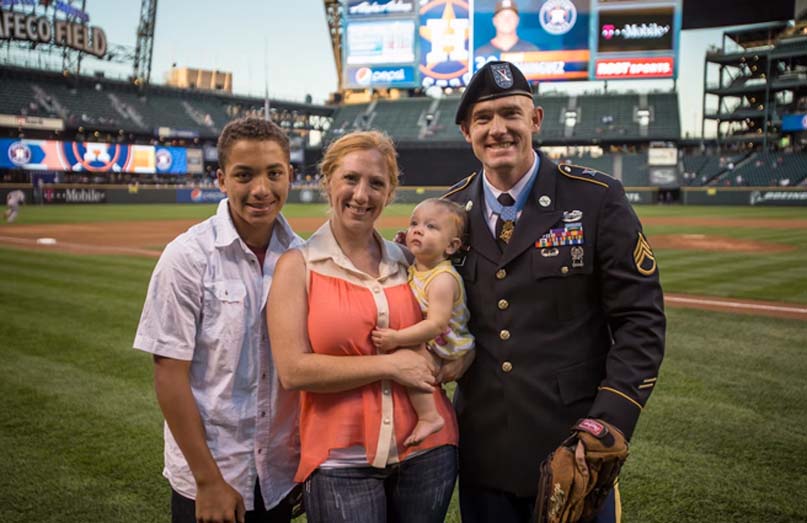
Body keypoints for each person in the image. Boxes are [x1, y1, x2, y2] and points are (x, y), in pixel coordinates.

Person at [444, 60, 666, 522]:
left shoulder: (595, 198)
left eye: (510, 114)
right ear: (467, 131)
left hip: (574, 446)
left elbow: (640, 320)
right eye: (483, 119)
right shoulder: (449, 211)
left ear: (535, 120)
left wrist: (607, 421)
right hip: (483, 457)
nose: (498, 129)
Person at [268, 131, 459, 523]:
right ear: (328, 182)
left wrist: (458, 362)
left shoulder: (409, 260)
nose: (362, 194)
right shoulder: (298, 266)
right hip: (341, 462)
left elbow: (456, 324)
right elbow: (293, 371)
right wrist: (390, 365)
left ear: (389, 193)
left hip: (430, 451)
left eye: (376, 183)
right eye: (350, 179)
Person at [133, 117, 302, 523]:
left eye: (273, 173)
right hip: (211, 478)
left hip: (279, 477)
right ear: (222, 179)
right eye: (245, 175)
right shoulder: (187, 257)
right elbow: (169, 374)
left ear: (290, 176)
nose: (261, 189)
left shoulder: (303, 256)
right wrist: (207, 480)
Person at [371, 198, 475, 447]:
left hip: (449, 344)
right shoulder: (418, 268)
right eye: (414, 223)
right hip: (438, 338)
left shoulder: (442, 279)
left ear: (451, 246)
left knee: (411, 355)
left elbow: (436, 325)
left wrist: (397, 338)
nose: (418, 230)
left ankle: (429, 416)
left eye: (431, 227)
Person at [475, 0, 539, 58]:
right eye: (502, 16)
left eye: (511, 16)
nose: (507, 20)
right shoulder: (481, 54)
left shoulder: (531, 51)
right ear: (494, 21)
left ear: (517, 20)